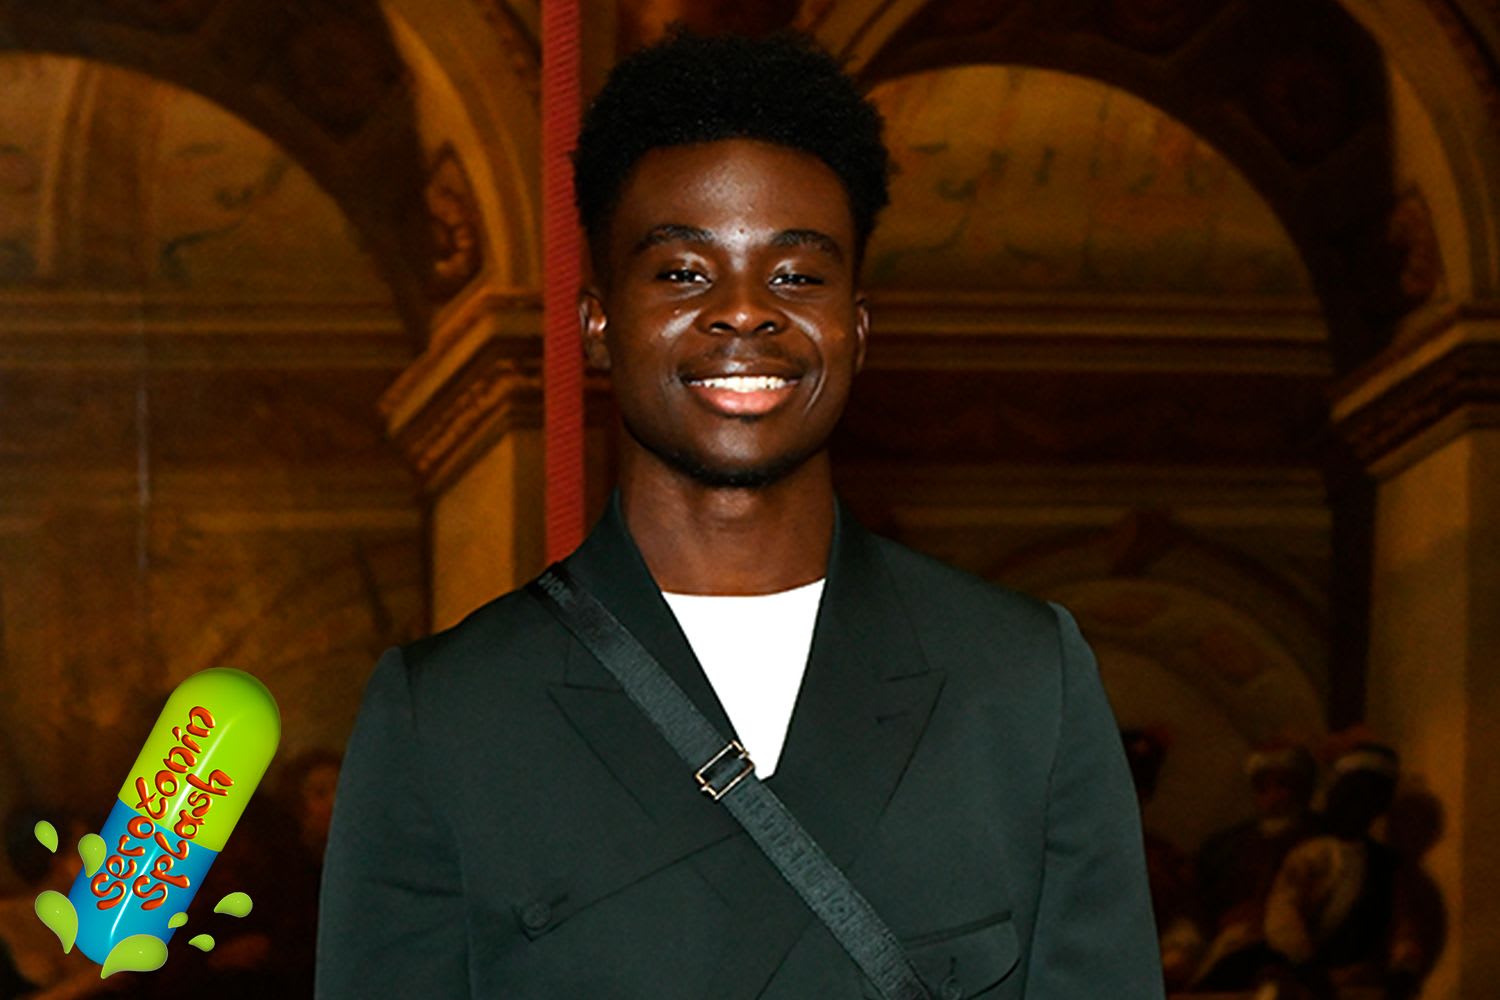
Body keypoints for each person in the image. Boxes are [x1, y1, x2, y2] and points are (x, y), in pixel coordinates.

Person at [318, 29, 1162, 999]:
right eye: (682, 272)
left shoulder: (1020, 683)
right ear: (598, 324)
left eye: (797, 275)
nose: (744, 310)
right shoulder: (448, 717)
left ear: (856, 326)